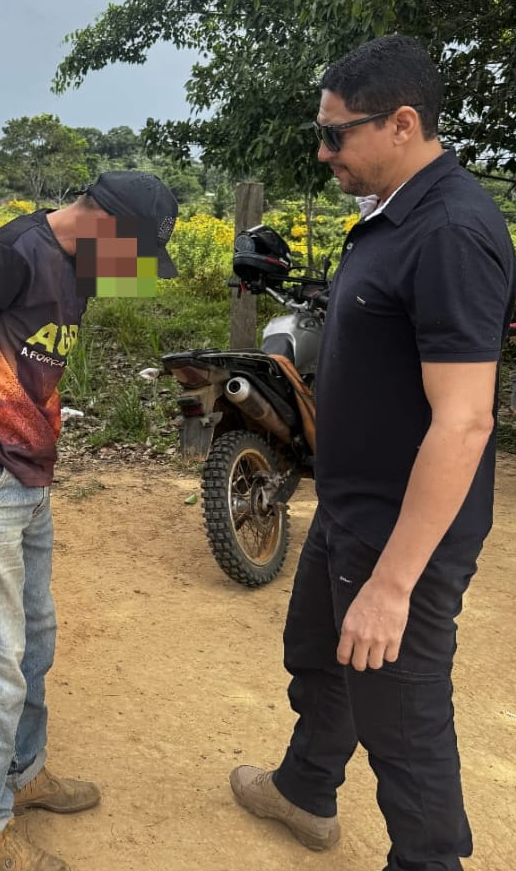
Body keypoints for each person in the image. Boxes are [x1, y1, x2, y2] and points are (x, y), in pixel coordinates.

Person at [229, 35, 516, 871]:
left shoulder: (453, 230)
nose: (323, 152)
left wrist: (392, 584)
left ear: (400, 123)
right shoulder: (391, 210)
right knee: (319, 652)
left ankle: (429, 859)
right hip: (354, 507)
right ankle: (303, 787)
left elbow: (462, 422)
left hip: (404, 533)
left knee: (402, 714)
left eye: (335, 134)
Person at [0, 172, 179, 871]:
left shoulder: (82, 266)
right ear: (103, 223)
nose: (136, 274)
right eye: (137, 254)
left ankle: (23, 773)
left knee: (36, 640)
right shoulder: (10, 253)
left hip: (31, 473)